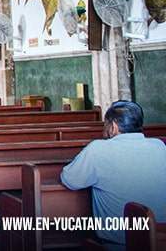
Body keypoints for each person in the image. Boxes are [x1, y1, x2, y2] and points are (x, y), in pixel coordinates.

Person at [60, 101, 166, 247]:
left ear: (114, 126)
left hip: (119, 243)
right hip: (160, 241)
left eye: (105, 124)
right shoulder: (159, 146)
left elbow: (69, 180)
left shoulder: (98, 149)